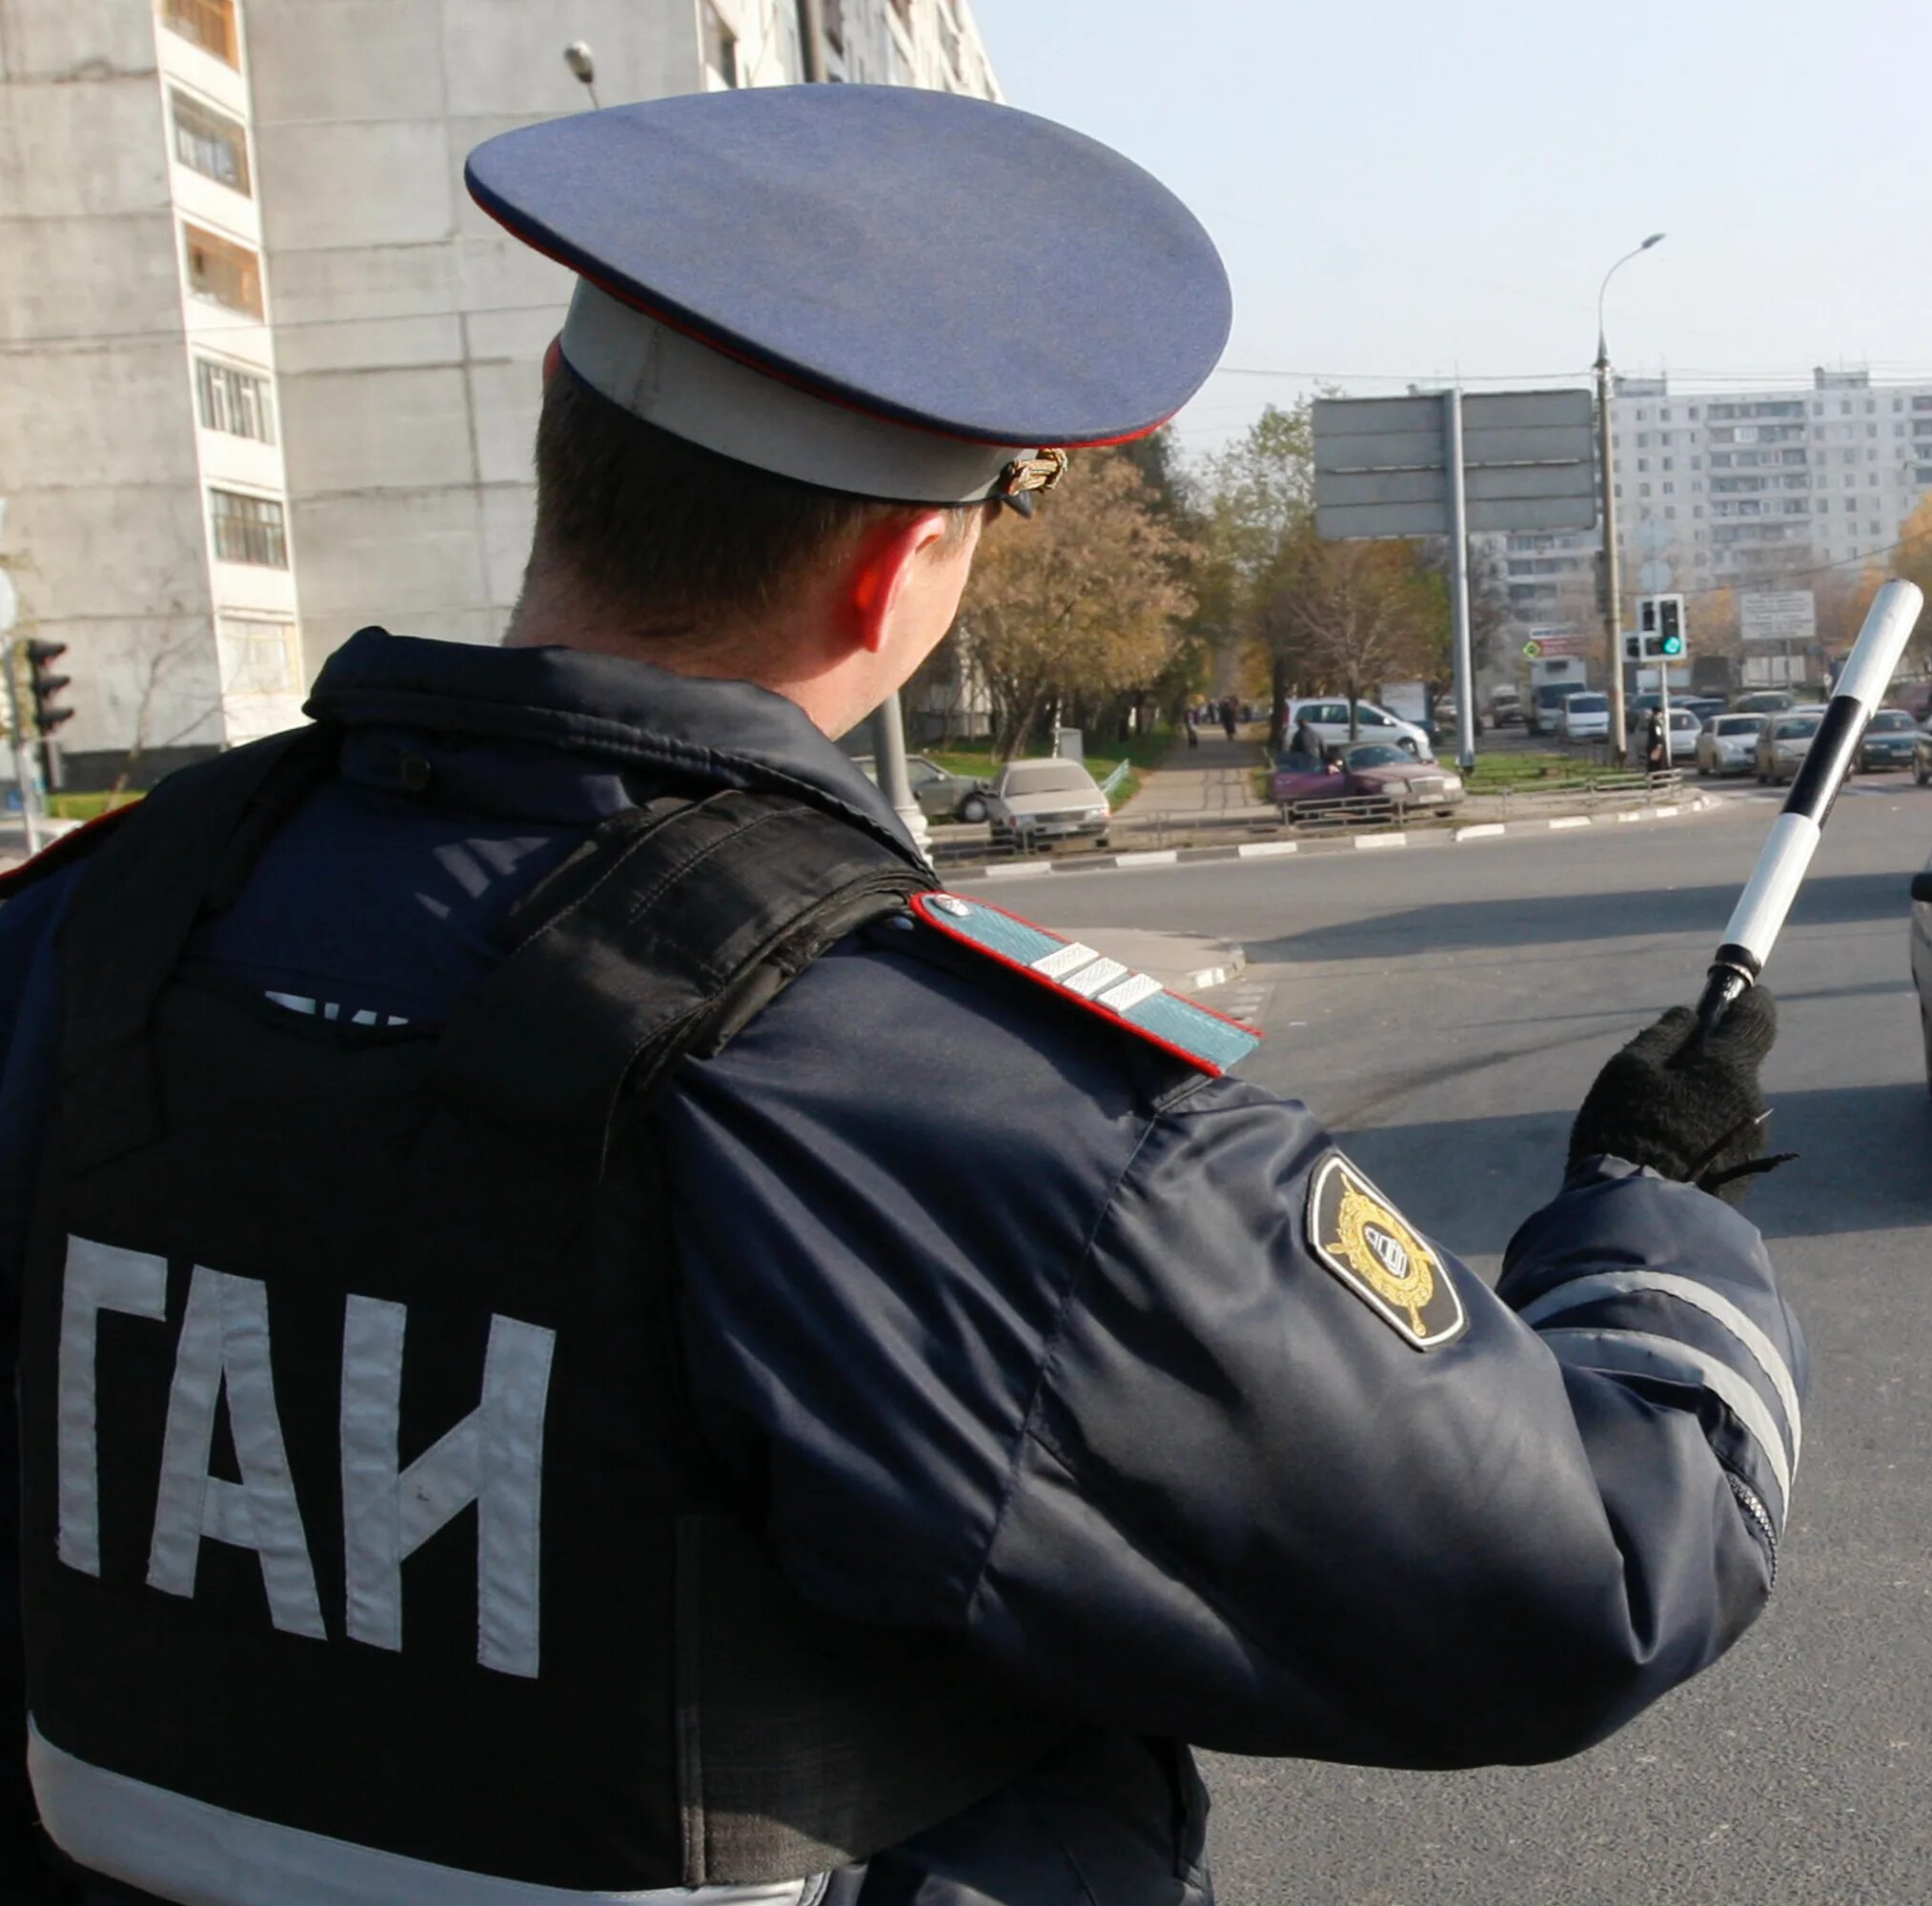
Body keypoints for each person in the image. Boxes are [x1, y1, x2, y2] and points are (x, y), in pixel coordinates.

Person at [0, 87, 1803, 1906]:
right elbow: (1592, 1571)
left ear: (559, 418)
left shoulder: (91, 937)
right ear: (894, 565)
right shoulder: (972, 1111)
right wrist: (1655, 1215)